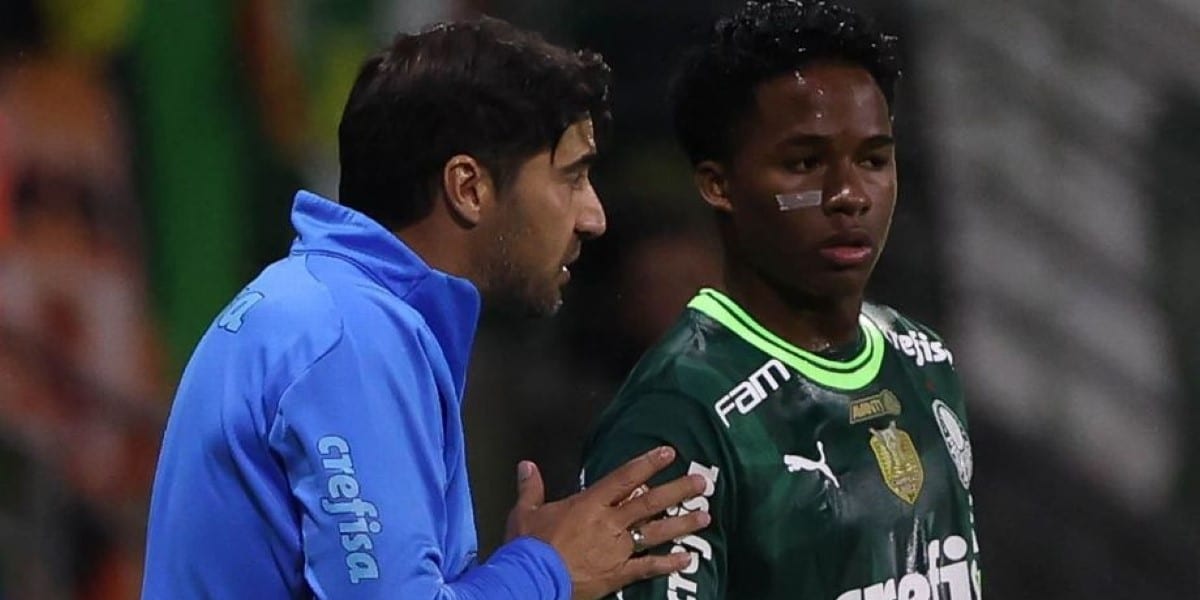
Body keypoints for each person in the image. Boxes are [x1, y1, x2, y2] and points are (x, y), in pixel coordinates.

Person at [142, 18, 710, 600]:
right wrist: (548, 570)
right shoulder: (350, 337)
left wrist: (511, 572)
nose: (595, 217)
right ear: (468, 187)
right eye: (571, 178)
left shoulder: (329, 309)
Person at [581, 1, 982, 599]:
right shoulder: (679, 415)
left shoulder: (924, 361)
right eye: (805, 163)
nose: (850, 195)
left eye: (873, 159)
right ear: (718, 185)